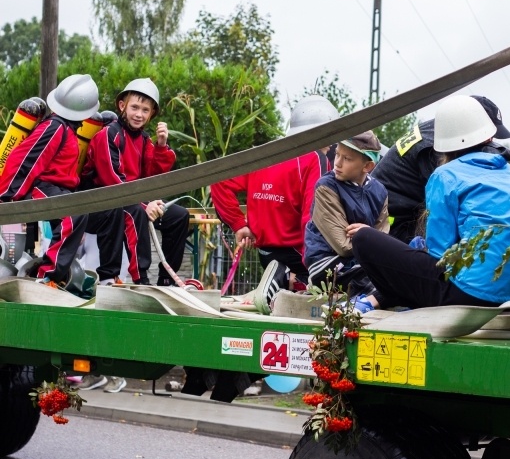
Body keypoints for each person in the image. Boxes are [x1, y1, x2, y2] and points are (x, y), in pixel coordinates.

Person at [350, 95, 510, 312]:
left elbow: (440, 256)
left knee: (364, 238)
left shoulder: (445, 175)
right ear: (488, 138)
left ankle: (377, 299)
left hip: (468, 294)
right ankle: (378, 299)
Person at [79, 78, 188, 394]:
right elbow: (114, 181)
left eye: (146, 109)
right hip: (102, 200)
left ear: (152, 114)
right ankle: (141, 279)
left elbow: (154, 175)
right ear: (122, 105)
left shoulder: (144, 141)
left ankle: (167, 282)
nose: (139, 114)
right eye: (135, 107)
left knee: (179, 215)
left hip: (133, 197)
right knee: (136, 211)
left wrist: (163, 146)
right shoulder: (107, 136)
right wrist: (145, 204)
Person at [210, 95, 337, 301]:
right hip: (298, 252)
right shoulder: (315, 158)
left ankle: (281, 279)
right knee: (323, 288)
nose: (332, 147)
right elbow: (313, 214)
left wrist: (239, 225)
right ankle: (289, 279)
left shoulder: (267, 154)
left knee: (283, 303)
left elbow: (218, 179)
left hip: (266, 254)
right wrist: (317, 261)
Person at [372, 96, 510, 243]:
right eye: (487, 135)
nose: (490, 141)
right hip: (391, 226)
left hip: (406, 215)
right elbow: (449, 201)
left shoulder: (442, 131)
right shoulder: (436, 149)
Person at [0, 74, 98, 288]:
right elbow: (25, 160)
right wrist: (7, 197)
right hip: (40, 187)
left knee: (80, 210)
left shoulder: (70, 129)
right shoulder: (55, 127)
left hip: (58, 189)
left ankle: (54, 273)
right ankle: (48, 275)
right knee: (75, 212)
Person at [304, 130, 389, 296]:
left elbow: (382, 241)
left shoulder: (380, 191)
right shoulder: (326, 187)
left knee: (394, 266)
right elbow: (343, 246)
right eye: (337, 154)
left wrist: (367, 234)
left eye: (347, 158)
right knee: (376, 277)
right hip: (327, 263)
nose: (337, 163)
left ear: (367, 166)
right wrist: (370, 237)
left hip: (362, 261)